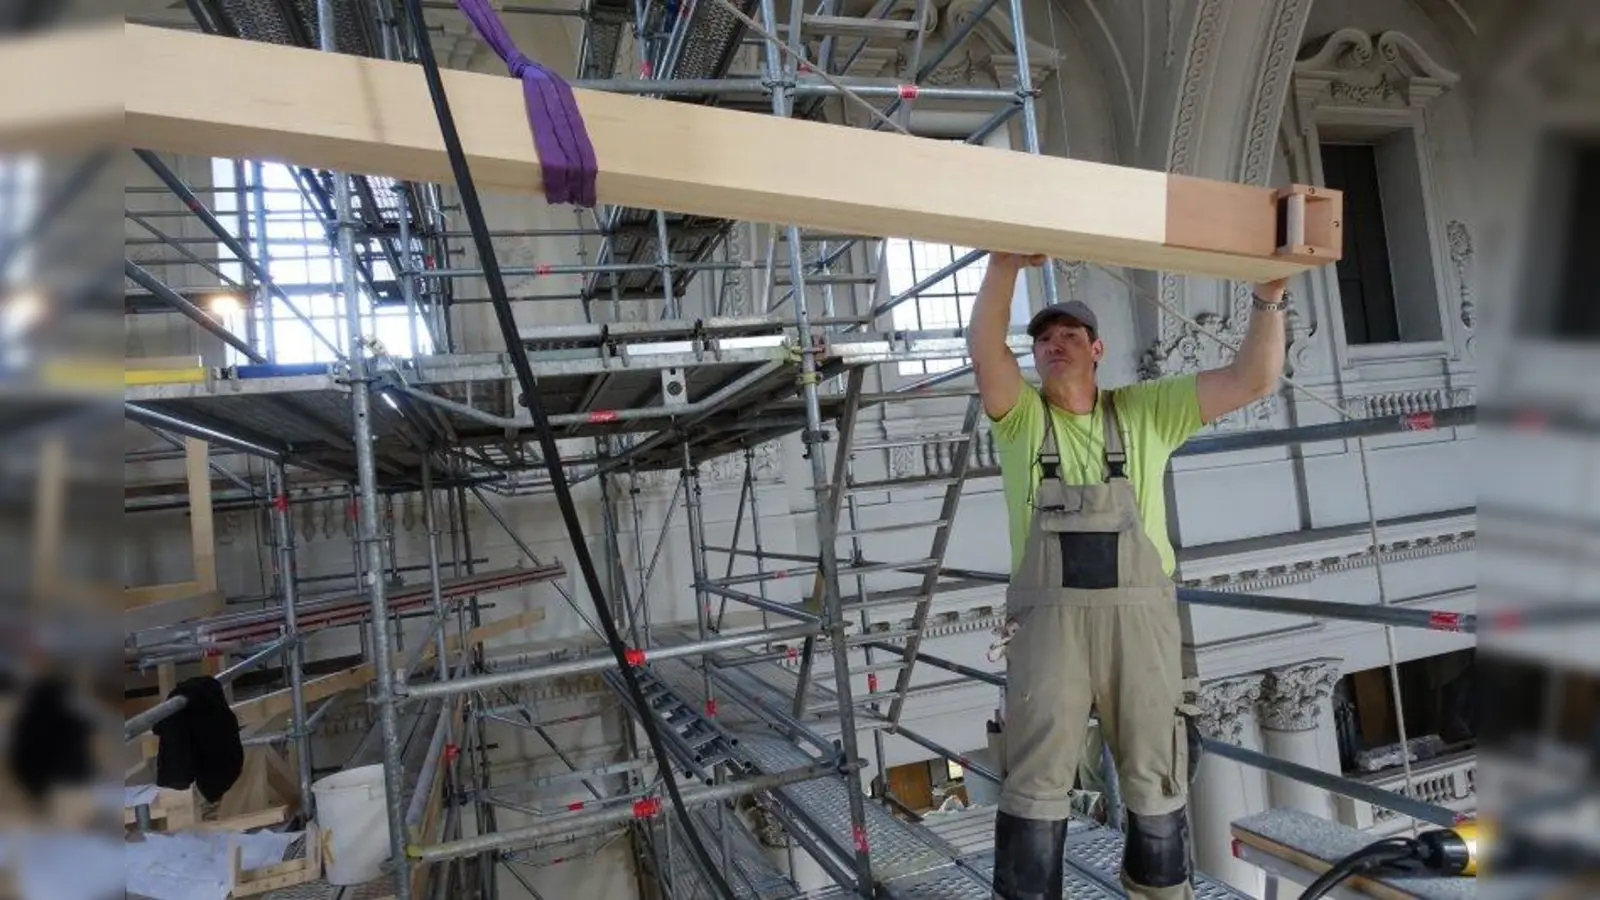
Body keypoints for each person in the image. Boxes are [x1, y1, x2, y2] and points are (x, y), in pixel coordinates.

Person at [970, 251, 1289, 900]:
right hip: (1049, 624)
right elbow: (984, 348)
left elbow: (1255, 378)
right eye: (1041, 340)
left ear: (1097, 349)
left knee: (1155, 779)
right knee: (1035, 783)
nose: (1052, 346)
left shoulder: (1147, 410)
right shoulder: (1021, 420)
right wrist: (1003, 263)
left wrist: (1270, 293)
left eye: (1067, 336)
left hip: (1140, 622)